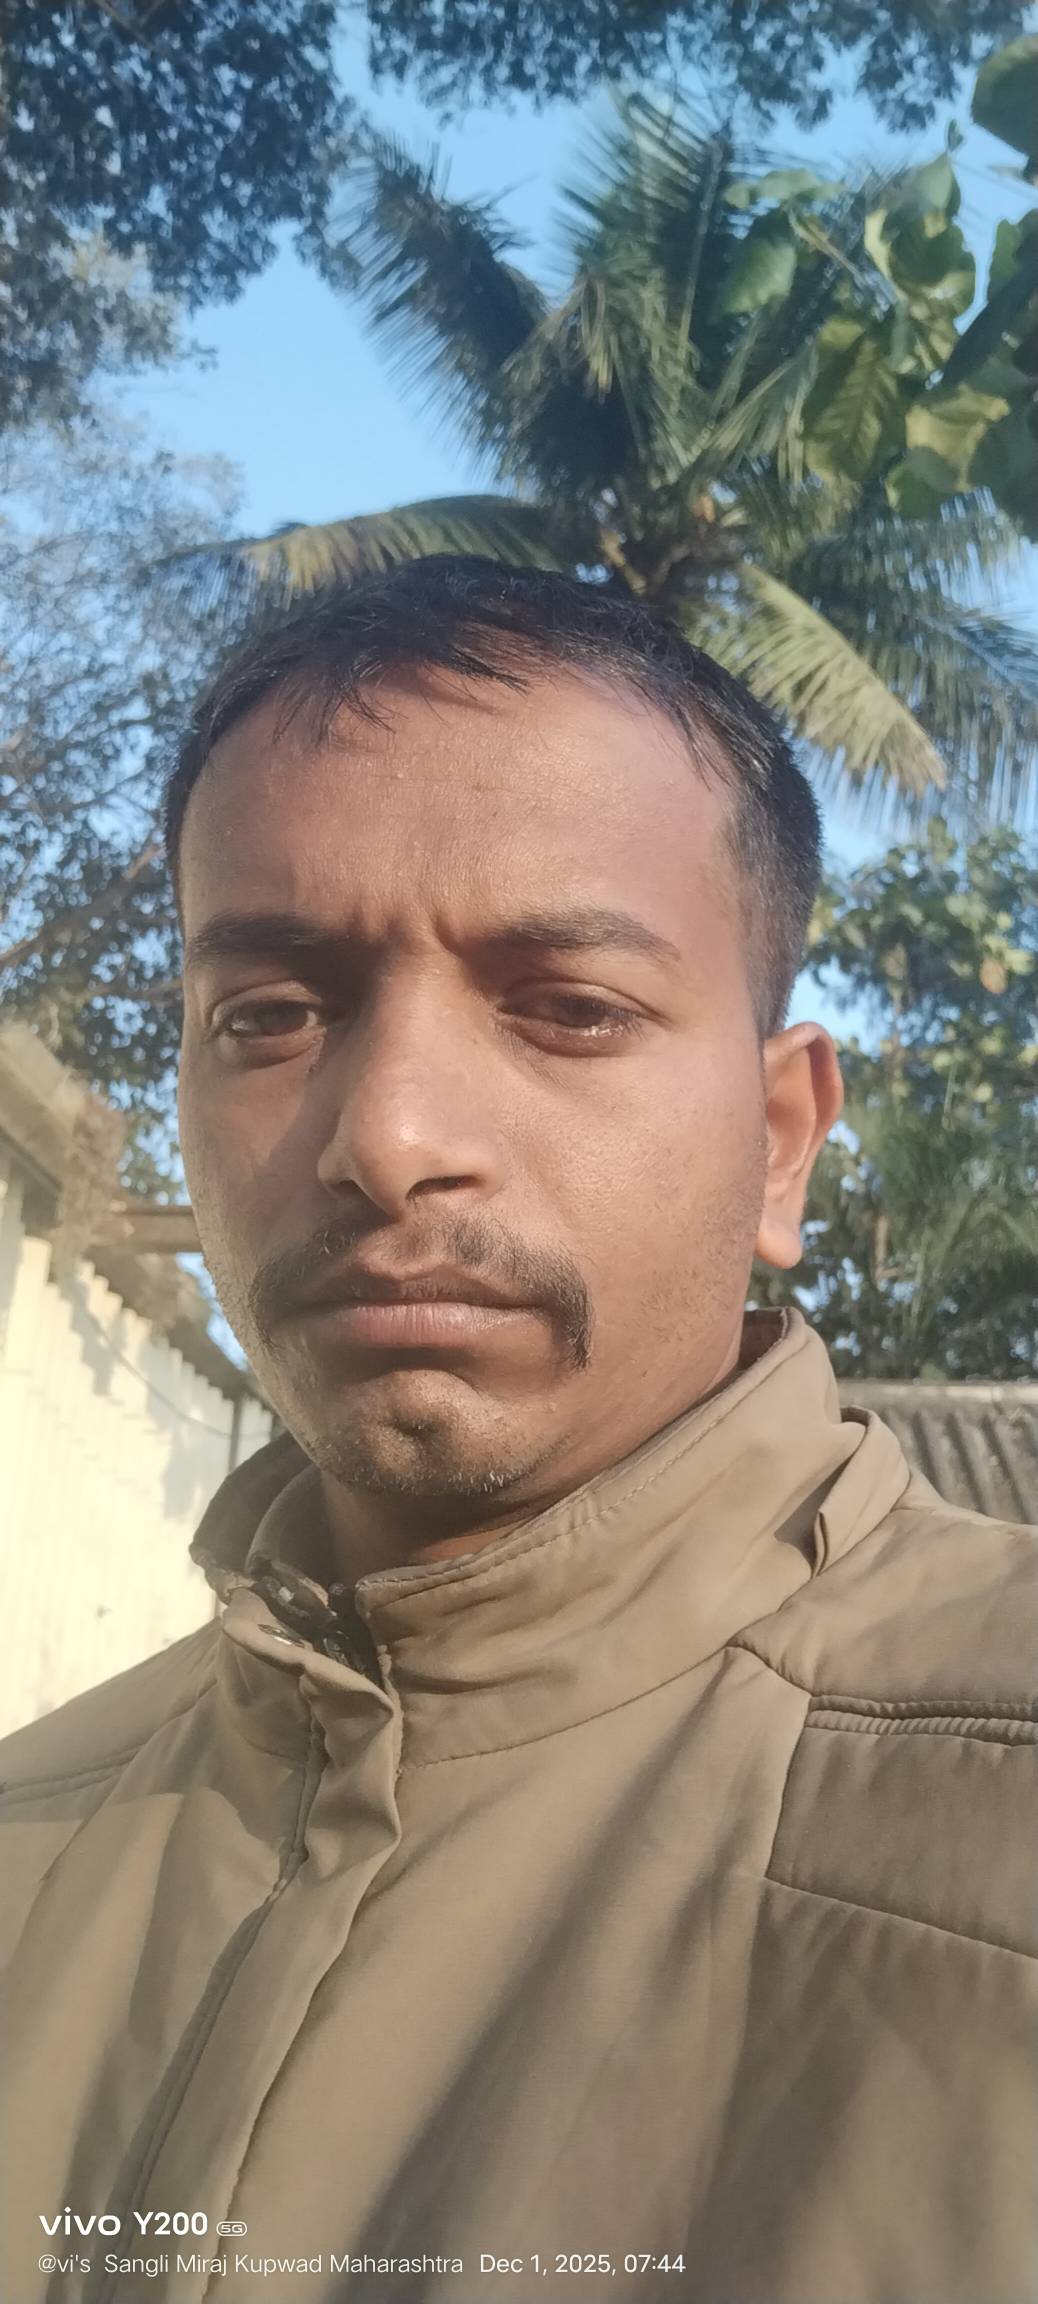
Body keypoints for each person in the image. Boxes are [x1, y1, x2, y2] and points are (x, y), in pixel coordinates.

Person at [1, 557, 1034, 2304]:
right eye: (269, 1015)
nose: (388, 1139)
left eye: (568, 1008)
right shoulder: (32, 1836)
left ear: (780, 1140)